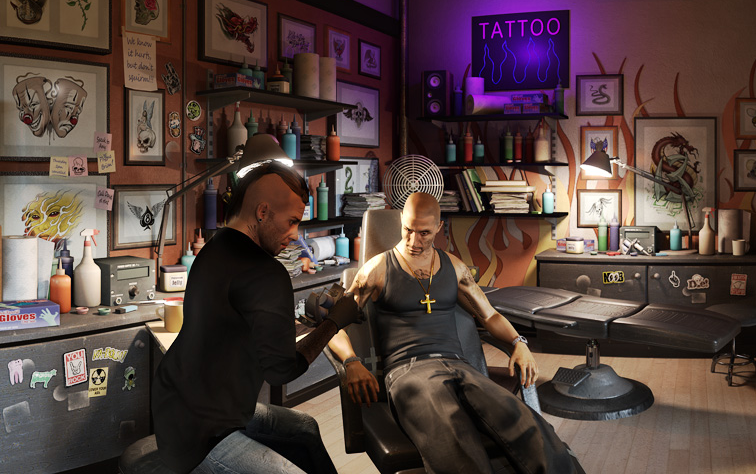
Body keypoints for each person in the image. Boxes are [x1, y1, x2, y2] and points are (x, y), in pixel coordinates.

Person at [310, 193, 583, 473]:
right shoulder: (377, 269)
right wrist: (351, 361)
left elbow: (489, 315)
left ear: (439, 228)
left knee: (529, 425)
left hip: (459, 366)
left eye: (424, 233)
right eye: (408, 230)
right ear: (402, 221)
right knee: (454, 439)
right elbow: (333, 325)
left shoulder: (454, 267)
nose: (414, 241)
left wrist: (518, 342)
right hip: (409, 372)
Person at [139, 160, 336, 474]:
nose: (295, 235)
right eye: (291, 222)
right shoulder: (267, 272)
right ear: (262, 212)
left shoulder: (215, 247)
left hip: (183, 404)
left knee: (305, 429)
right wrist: (333, 324)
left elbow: (240, 322)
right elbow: (281, 371)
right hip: (201, 431)